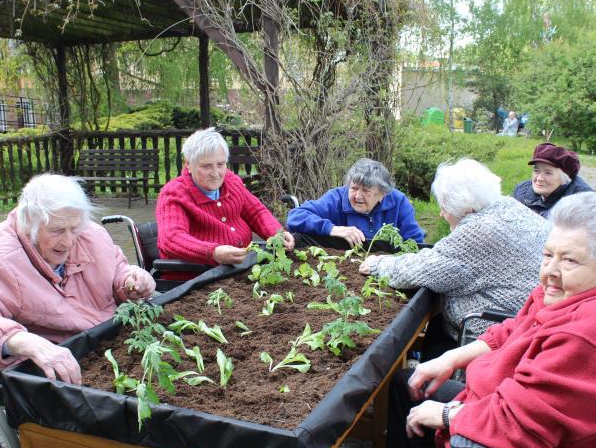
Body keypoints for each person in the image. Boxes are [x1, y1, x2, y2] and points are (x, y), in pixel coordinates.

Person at [326, 192, 596, 448]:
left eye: (570, 260)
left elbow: (516, 426)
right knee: (407, 384)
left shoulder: (587, 339)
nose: (550, 272)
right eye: (548, 255)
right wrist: (450, 359)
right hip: (499, 407)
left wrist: (446, 414)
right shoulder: (579, 296)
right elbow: (516, 327)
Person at [0, 173, 156, 384]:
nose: (68, 241)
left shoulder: (91, 234)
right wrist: (22, 341)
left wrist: (131, 280)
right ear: (28, 223)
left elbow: (116, 267)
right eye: (57, 231)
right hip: (58, 361)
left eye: (74, 228)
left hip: (108, 340)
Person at [359, 159, 549, 354]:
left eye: (445, 207)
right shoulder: (508, 206)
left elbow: (421, 270)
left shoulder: (479, 232)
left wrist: (377, 264)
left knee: (428, 350)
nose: (441, 214)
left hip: (499, 338)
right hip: (534, 323)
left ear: (465, 209)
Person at [156, 128, 294, 276]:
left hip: (238, 270)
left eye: (220, 164)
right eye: (206, 166)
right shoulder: (174, 194)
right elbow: (171, 239)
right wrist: (213, 252)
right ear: (188, 164)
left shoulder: (231, 181)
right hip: (195, 278)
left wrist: (277, 233)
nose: (216, 173)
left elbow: (256, 213)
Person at [287, 158, 425, 249]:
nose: (358, 195)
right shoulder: (337, 198)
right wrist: (333, 229)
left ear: (382, 194)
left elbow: (415, 243)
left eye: (366, 190)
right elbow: (295, 216)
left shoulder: (399, 203)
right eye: (354, 188)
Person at [513, 142, 593, 217]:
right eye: (537, 171)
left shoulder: (583, 203)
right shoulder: (521, 190)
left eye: (548, 173)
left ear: (565, 178)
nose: (539, 178)